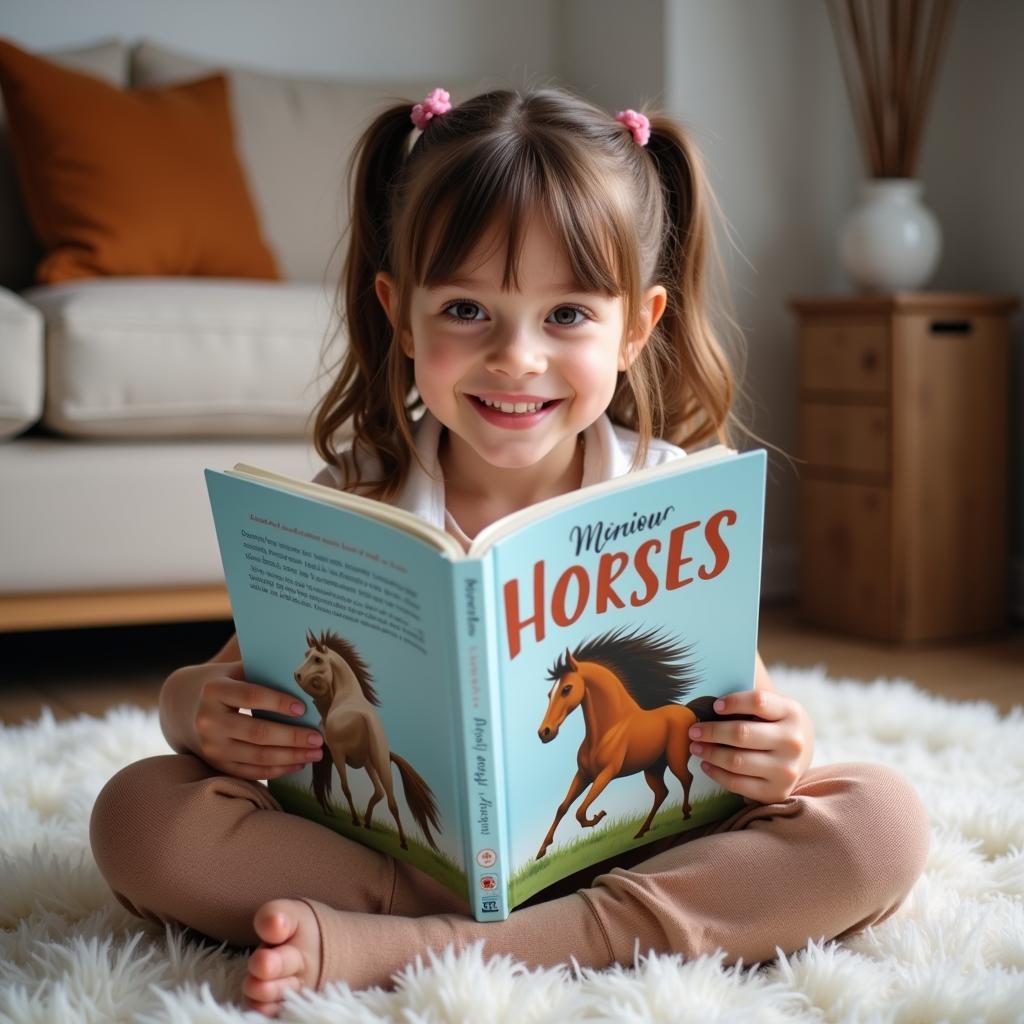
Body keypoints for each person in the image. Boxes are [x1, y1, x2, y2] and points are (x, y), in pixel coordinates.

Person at [90, 85, 930, 1018]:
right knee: (138, 816)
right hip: (407, 858)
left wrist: (779, 744)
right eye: (465, 310)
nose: (516, 358)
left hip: (626, 849)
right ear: (400, 315)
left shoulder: (666, 491)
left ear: (637, 326)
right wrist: (193, 713)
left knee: (878, 823)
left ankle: (414, 943)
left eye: (567, 315)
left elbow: (750, 707)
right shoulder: (359, 498)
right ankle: (537, 934)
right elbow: (221, 686)